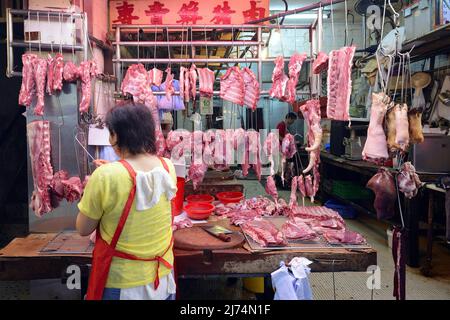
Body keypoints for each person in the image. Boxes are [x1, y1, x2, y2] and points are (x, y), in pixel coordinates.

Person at [76, 103, 178, 300]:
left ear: (116, 136)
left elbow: (83, 228)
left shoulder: (106, 176)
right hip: (164, 280)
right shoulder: (168, 167)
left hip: (122, 286)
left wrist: (92, 191)